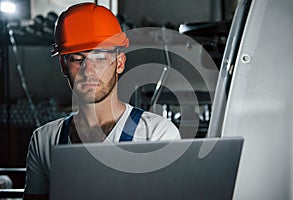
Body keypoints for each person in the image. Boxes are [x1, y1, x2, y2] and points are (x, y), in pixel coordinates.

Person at [23, 2, 181, 199]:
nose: (88, 71)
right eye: (77, 59)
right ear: (63, 66)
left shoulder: (157, 135)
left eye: (100, 58)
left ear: (120, 63)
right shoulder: (44, 141)